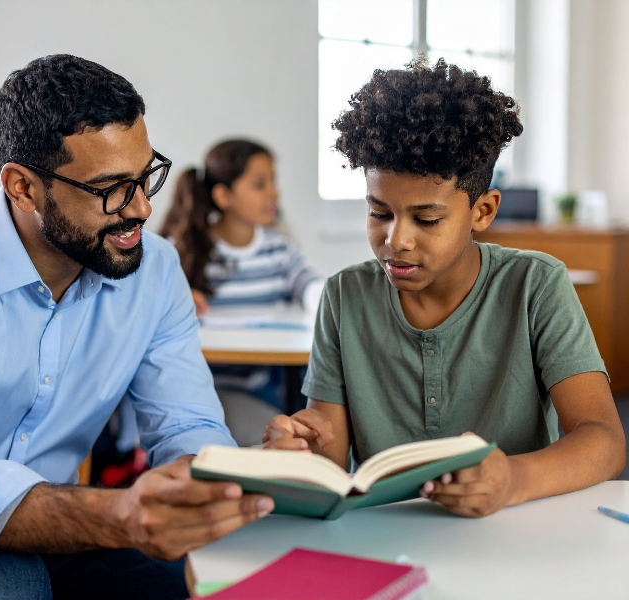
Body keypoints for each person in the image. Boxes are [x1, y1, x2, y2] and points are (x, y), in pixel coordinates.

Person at [0, 55, 273, 600]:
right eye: (110, 187)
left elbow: (186, 428)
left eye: (144, 176)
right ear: (22, 187)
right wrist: (119, 513)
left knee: (189, 577)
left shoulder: (154, 270)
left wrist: (221, 489)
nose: (140, 209)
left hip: (48, 533)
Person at [263, 58, 626, 518]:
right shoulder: (344, 296)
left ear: (483, 211)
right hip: (383, 538)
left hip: (512, 529)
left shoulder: (535, 284)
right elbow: (329, 466)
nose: (396, 240)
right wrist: (300, 452)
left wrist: (511, 480)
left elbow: (605, 441)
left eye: (427, 219)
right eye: (379, 213)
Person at [160, 140, 323, 445]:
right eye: (260, 184)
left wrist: (325, 298)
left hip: (262, 384)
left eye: (273, 181)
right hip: (201, 386)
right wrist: (175, 297)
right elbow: (149, 299)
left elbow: (310, 285)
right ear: (224, 196)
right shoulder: (188, 250)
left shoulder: (279, 248)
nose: (274, 192)